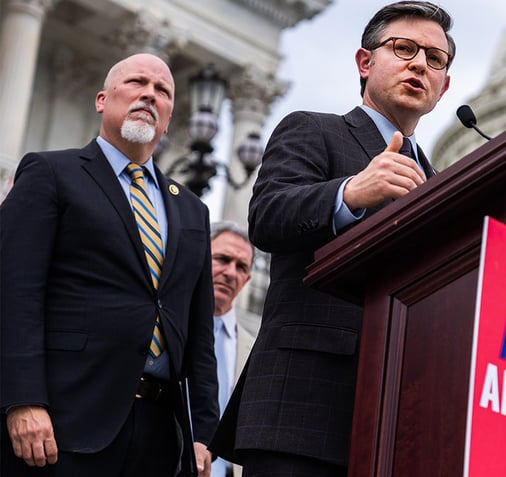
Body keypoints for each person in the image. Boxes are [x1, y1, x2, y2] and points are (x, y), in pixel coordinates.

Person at [209, 1, 454, 475]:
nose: (419, 63)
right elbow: (266, 217)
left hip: (401, 425)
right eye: (404, 48)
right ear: (365, 63)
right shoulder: (314, 131)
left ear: (444, 88)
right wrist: (349, 193)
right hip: (304, 412)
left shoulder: (442, 184)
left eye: (435, 59)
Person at [0, 53, 218, 477]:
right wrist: (21, 399)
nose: (149, 95)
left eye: (163, 91)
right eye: (137, 82)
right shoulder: (51, 173)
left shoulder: (192, 210)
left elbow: (198, 330)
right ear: (102, 100)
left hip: (157, 435)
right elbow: (12, 293)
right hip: (62, 423)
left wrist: (202, 431)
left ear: (170, 117)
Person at [208, 221, 257, 477]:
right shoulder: (165, 331)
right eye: (222, 259)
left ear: (247, 279)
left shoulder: (255, 350)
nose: (230, 273)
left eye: (241, 267)